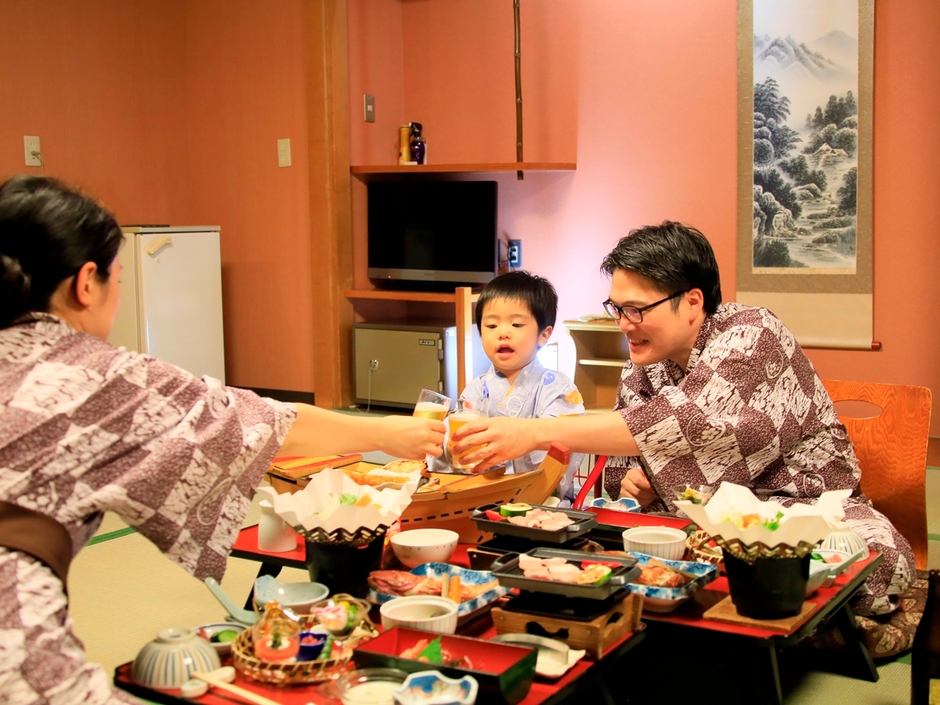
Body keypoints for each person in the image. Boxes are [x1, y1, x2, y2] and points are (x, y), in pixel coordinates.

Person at [0, 175, 445, 703]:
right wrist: (391, 433)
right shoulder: (90, 373)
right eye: (119, 278)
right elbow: (260, 423)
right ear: (86, 282)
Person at [453, 221, 914, 617]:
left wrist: (532, 431)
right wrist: (634, 478)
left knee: (872, 558)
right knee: (602, 550)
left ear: (693, 301)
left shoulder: (751, 334)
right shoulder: (645, 362)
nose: (623, 323)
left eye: (638, 309)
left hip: (802, 509)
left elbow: (683, 424)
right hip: (703, 522)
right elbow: (619, 463)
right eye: (618, 308)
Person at [430, 270, 585, 505]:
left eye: (516, 324)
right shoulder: (475, 389)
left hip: (541, 499)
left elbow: (563, 447)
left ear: (543, 335)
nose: (502, 333)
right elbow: (454, 447)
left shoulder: (558, 389)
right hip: (482, 496)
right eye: (491, 325)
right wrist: (449, 445)